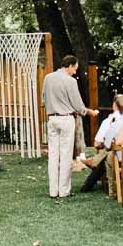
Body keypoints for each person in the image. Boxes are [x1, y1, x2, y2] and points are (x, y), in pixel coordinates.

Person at [41, 54, 98, 199]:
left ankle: (53, 191)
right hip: (66, 119)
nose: (75, 72)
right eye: (75, 69)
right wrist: (88, 112)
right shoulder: (70, 81)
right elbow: (78, 105)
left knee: (53, 155)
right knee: (66, 155)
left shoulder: (48, 77)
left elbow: (43, 99)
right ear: (70, 65)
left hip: (52, 118)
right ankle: (64, 190)